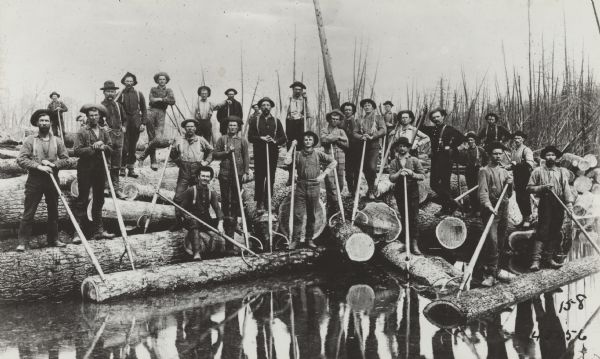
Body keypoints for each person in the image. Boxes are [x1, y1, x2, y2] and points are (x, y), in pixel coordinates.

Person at [16, 109, 70, 251]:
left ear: (51, 123)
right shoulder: (30, 140)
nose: (44, 123)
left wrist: (54, 164)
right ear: (37, 123)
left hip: (52, 180)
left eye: (46, 121)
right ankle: (23, 241)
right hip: (35, 180)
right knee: (29, 212)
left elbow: (66, 159)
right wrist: (38, 166)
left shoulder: (57, 141)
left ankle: (53, 239)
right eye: (42, 121)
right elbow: (21, 159)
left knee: (53, 211)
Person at [284, 132, 336, 249]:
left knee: (312, 215)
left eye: (310, 139)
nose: (307, 141)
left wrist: (323, 174)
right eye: (306, 139)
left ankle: (309, 239)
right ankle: (295, 241)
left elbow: (334, 162)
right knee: (298, 214)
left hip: (314, 186)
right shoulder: (297, 154)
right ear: (303, 141)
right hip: (301, 186)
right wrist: (292, 146)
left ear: (313, 142)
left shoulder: (318, 154)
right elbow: (286, 161)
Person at [527, 145, 574, 271]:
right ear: (544, 157)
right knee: (543, 229)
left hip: (559, 203)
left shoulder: (562, 171)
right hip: (545, 202)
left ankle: (549, 259)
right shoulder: (538, 171)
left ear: (556, 157)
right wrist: (542, 187)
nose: (550, 157)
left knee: (555, 229)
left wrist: (569, 205)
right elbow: (529, 188)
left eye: (553, 155)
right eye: (548, 155)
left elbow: (566, 189)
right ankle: (535, 261)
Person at [73, 104, 115, 243]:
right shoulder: (82, 132)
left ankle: (99, 230)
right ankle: (78, 232)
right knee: (82, 199)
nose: (94, 117)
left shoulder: (104, 131)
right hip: (85, 169)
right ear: (87, 117)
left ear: (100, 116)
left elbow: (110, 148)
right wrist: (93, 147)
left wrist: (104, 147)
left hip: (100, 169)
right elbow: (77, 151)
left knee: (99, 199)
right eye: (91, 115)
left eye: (96, 115)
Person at [477, 141, 514, 287]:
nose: (498, 156)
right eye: (495, 154)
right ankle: (489, 274)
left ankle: (497, 270)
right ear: (490, 155)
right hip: (490, 210)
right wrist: (488, 205)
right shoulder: (484, 171)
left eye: (500, 154)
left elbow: (509, 194)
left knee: (501, 240)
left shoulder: (505, 171)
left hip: (503, 208)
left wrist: (510, 184)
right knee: (491, 241)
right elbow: (482, 192)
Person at [419, 108, 466, 216]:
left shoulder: (450, 129)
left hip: (446, 160)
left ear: (443, 116)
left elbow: (463, 139)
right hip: (435, 159)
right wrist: (423, 114)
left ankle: (445, 208)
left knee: (445, 184)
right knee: (433, 184)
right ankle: (452, 203)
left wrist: (452, 148)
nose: (436, 119)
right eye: (433, 118)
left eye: (438, 116)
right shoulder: (432, 129)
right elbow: (420, 126)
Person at [169, 118, 214, 231]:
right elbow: (172, 153)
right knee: (178, 197)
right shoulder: (179, 140)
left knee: (201, 195)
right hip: (184, 171)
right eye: (187, 127)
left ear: (195, 128)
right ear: (184, 128)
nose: (190, 128)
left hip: (197, 170)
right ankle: (179, 221)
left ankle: (203, 222)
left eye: (192, 126)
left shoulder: (201, 140)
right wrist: (179, 162)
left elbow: (211, 151)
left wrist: (206, 162)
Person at [213, 116, 250, 240]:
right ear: (227, 127)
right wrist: (227, 152)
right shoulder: (222, 139)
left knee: (235, 198)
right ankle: (225, 219)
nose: (232, 127)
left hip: (237, 173)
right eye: (230, 125)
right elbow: (215, 154)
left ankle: (233, 220)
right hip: (224, 172)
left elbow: (246, 157)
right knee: (225, 198)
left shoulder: (242, 140)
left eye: (235, 125)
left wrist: (245, 172)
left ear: (238, 127)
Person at [247, 97, 286, 211]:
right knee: (259, 177)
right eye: (263, 105)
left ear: (271, 107)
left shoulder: (276, 121)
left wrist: (275, 141)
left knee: (271, 177)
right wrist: (261, 138)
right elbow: (250, 137)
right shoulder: (255, 120)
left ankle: (268, 201)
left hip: (272, 152)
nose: (265, 107)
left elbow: (283, 137)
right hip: (259, 152)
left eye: (268, 105)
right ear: (260, 107)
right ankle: (259, 202)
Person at [388, 137, 425, 254]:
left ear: (408, 148)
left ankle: (414, 243)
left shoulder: (414, 160)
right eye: (400, 146)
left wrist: (411, 173)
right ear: (397, 148)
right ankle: (406, 242)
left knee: (413, 217)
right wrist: (399, 173)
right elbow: (391, 178)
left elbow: (422, 175)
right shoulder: (394, 162)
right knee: (404, 217)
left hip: (412, 193)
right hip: (400, 193)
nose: (402, 148)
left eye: (404, 146)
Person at [180, 166, 225, 260]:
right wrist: (186, 216)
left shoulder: (211, 193)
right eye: (203, 176)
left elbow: (217, 209)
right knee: (194, 223)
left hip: (206, 221)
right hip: (191, 221)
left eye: (207, 176)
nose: (205, 178)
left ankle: (229, 249)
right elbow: (181, 208)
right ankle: (196, 253)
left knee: (230, 220)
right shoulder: (191, 190)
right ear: (198, 177)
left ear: (210, 178)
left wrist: (220, 223)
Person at [140, 72, 176, 170]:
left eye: (163, 79)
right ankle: (153, 161)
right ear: (157, 80)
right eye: (160, 79)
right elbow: (151, 100)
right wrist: (164, 99)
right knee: (151, 137)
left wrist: (159, 99)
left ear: (166, 81)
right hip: (151, 112)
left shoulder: (169, 90)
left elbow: (172, 101)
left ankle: (142, 156)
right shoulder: (153, 89)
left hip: (161, 113)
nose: (162, 81)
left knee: (158, 138)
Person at [352, 98, 386, 199]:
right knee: (365, 168)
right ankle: (369, 189)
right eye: (365, 106)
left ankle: (372, 189)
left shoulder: (378, 118)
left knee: (371, 167)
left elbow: (383, 130)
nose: (367, 107)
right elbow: (354, 132)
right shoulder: (360, 119)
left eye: (369, 105)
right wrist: (361, 136)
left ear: (373, 107)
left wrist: (373, 136)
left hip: (373, 146)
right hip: (362, 145)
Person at [99, 80, 127, 199]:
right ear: (104, 93)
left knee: (117, 164)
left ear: (115, 93)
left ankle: (116, 188)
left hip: (119, 136)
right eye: (108, 91)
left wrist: (124, 126)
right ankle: (105, 187)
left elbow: (125, 119)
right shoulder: (100, 106)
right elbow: (96, 121)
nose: (111, 94)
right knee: (107, 163)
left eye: (113, 91)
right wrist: (103, 126)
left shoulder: (118, 105)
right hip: (107, 136)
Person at [117, 72, 147, 178]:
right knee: (124, 147)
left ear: (134, 82)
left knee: (132, 147)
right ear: (124, 82)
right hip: (125, 123)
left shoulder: (139, 94)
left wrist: (143, 123)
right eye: (127, 81)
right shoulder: (121, 94)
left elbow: (144, 109)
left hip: (136, 123)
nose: (129, 83)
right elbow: (117, 109)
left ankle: (131, 169)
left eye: (131, 81)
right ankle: (122, 168)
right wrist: (121, 124)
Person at [283, 81, 313, 185]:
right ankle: (291, 176)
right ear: (293, 90)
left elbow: (309, 114)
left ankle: (301, 175)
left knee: (301, 150)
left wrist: (306, 100)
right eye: (296, 89)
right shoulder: (289, 99)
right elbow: (284, 113)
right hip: (290, 124)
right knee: (290, 150)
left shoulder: (303, 100)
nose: (298, 91)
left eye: (300, 90)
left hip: (300, 124)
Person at [320, 109, 348, 217]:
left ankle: (337, 200)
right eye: (333, 119)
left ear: (339, 120)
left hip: (340, 156)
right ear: (329, 119)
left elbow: (347, 144)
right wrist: (336, 138)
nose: (334, 121)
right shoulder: (324, 129)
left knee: (340, 181)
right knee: (330, 181)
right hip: (328, 156)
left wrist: (335, 139)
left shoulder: (341, 131)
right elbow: (323, 140)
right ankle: (332, 204)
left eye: (337, 119)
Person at [509, 130, 535, 228]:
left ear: (523, 139)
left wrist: (518, 165)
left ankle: (528, 218)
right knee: (518, 197)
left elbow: (530, 164)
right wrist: (509, 166)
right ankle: (523, 218)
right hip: (517, 175)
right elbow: (513, 163)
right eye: (515, 138)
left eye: (519, 138)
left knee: (525, 197)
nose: (516, 140)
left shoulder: (526, 150)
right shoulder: (514, 150)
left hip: (525, 175)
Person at [459, 131, 488, 215]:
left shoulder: (481, 150)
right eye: (469, 140)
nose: (470, 141)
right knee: (471, 190)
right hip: (469, 172)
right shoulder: (465, 151)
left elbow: (487, 160)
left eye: (471, 140)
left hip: (478, 172)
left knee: (479, 190)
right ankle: (474, 209)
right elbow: (461, 161)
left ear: (475, 140)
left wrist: (484, 167)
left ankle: (479, 209)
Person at [341, 102, 359, 194]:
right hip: (345, 149)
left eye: (349, 110)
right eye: (346, 110)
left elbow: (356, 132)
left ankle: (356, 190)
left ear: (353, 111)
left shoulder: (356, 121)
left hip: (356, 149)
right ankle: (350, 190)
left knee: (356, 170)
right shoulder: (341, 121)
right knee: (348, 172)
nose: (347, 111)